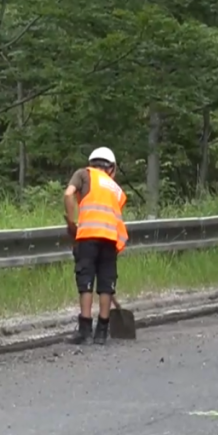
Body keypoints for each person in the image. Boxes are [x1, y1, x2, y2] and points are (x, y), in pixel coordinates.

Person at [63, 146, 129, 345]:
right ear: (112, 168)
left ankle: (84, 331)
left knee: (86, 280)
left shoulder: (84, 174)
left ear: (91, 163)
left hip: (88, 237)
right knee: (106, 284)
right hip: (110, 239)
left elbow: (68, 195)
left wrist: (71, 223)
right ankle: (102, 331)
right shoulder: (117, 190)